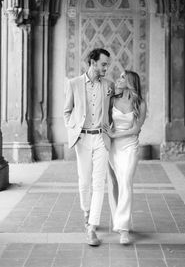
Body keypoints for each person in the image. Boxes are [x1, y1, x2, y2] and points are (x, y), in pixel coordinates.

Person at [63, 48, 114, 246]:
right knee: (84, 180)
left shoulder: (108, 85)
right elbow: (67, 112)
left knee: (99, 182)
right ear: (92, 63)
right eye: (103, 64)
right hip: (82, 139)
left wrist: (110, 129)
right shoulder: (74, 84)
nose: (106, 68)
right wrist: (73, 128)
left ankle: (92, 227)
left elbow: (110, 110)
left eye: (107, 64)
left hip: (101, 139)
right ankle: (86, 211)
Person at [103, 70, 147, 245]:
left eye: (122, 77)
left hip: (129, 145)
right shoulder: (112, 100)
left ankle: (124, 229)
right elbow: (104, 122)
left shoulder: (140, 103)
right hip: (113, 147)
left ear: (130, 82)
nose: (118, 79)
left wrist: (115, 135)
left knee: (126, 181)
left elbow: (136, 129)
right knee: (115, 183)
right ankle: (118, 221)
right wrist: (107, 139)